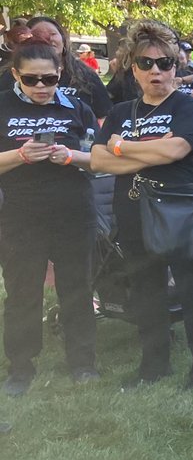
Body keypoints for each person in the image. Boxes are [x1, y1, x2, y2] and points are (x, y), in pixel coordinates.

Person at [88, 22, 193, 388]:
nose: (156, 72)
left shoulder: (188, 106)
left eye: (164, 63)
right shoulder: (120, 113)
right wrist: (150, 151)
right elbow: (98, 161)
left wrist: (122, 147)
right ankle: (153, 367)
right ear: (133, 69)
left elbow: (178, 149)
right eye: (146, 64)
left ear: (175, 66)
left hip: (183, 213)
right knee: (146, 293)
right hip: (134, 214)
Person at [0, 42, 100, 395]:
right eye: (31, 79)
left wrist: (71, 156)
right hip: (20, 216)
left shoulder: (77, 107)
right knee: (23, 294)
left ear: (60, 73)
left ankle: (83, 363)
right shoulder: (2, 106)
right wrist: (20, 155)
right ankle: (21, 368)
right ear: (15, 74)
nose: (41, 86)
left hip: (73, 212)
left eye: (49, 78)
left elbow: (98, 158)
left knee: (78, 289)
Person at [0, 16, 113, 122]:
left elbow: (104, 116)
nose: (47, 38)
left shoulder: (86, 75)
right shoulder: (9, 76)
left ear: (63, 40)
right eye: (29, 79)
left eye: (52, 33)